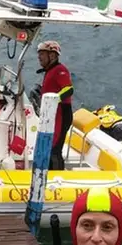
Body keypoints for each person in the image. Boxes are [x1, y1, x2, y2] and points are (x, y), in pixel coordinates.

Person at [36, 40, 74, 171]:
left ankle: (58, 177)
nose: (39, 57)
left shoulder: (60, 70)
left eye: (42, 53)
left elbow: (68, 89)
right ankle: (48, 172)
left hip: (61, 113)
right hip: (52, 113)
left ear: (52, 55)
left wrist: (54, 99)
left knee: (55, 148)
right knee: (50, 145)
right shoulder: (50, 70)